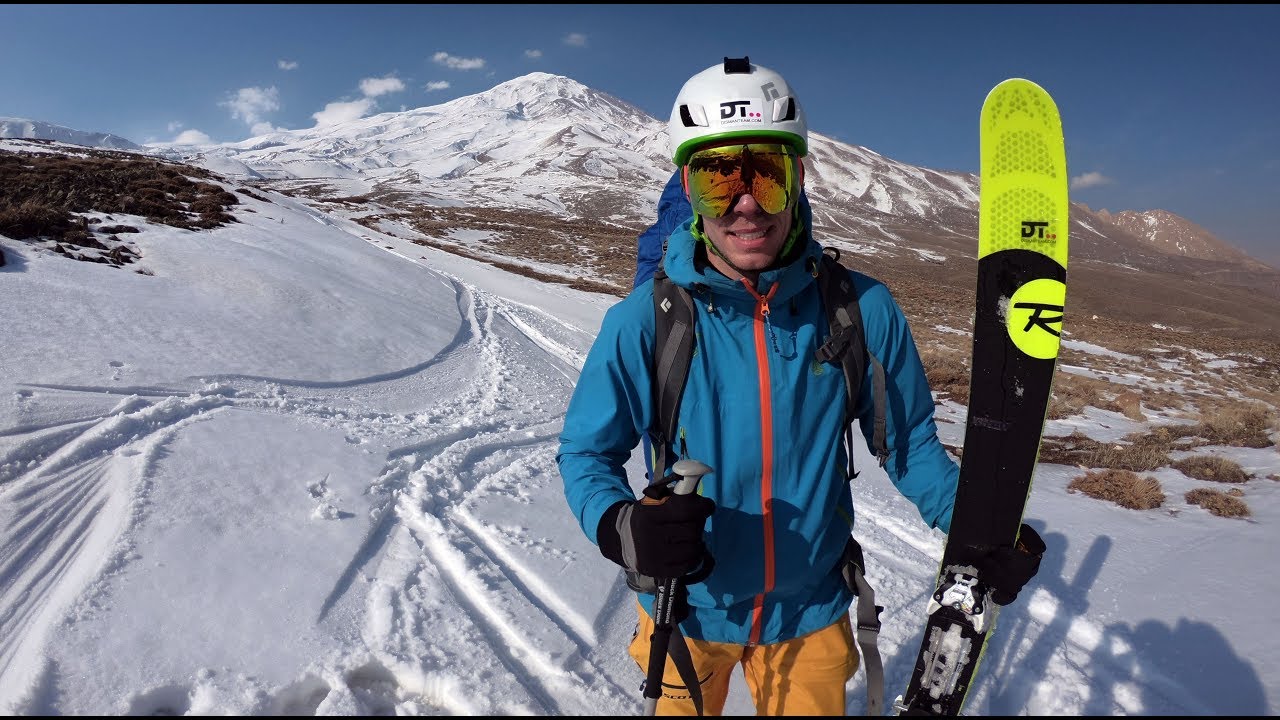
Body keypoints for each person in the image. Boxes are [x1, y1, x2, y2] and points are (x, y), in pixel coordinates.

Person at [557, 57, 1042, 716]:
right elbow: (587, 453)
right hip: (687, 616)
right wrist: (623, 528)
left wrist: (982, 529)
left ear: (801, 176)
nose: (747, 203)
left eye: (768, 174)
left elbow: (909, 447)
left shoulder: (860, 310)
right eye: (718, 179)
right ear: (688, 188)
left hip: (810, 618)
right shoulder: (648, 319)